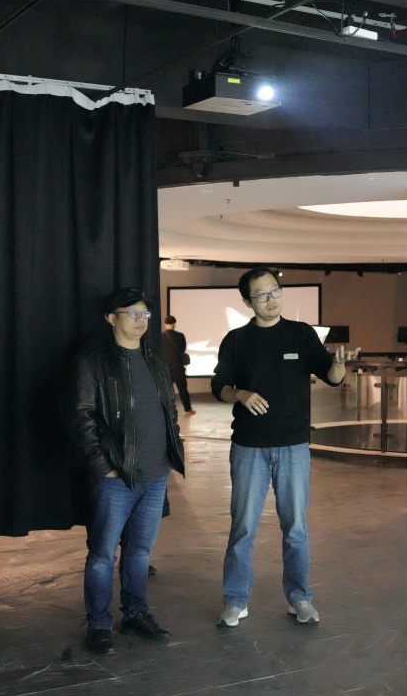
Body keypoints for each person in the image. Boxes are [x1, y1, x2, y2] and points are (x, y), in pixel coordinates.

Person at [211, 267, 354, 627]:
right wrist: (240, 394)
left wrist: (339, 366)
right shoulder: (236, 340)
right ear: (248, 302)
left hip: (293, 447)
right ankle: (235, 599)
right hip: (249, 446)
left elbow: (331, 376)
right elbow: (219, 386)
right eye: (262, 295)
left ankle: (299, 597)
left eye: (275, 291)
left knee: (296, 528)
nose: (271, 299)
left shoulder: (301, 334)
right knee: (243, 527)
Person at [69, 287, 186, 655]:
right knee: (103, 554)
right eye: (132, 313)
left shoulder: (154, 359)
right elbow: (81, 417)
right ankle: (99, 623)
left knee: (139, 552)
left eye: (145, 314)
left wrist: (171, 454)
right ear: (111, 318)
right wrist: (102, 466)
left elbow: (169, 410)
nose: (141, 320)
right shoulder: (94, 361)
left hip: (155, 474)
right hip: (116, 477)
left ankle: (135, 614)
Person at [161, 315, 194, 415]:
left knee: (166, 391)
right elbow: (183, 349)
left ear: (165, 324)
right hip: (178, 367)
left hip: (166, 368)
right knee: (183, 390)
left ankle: (167, 410)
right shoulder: (180, 336)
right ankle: (188, 409)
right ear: (174, 324)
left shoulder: (160, 336)